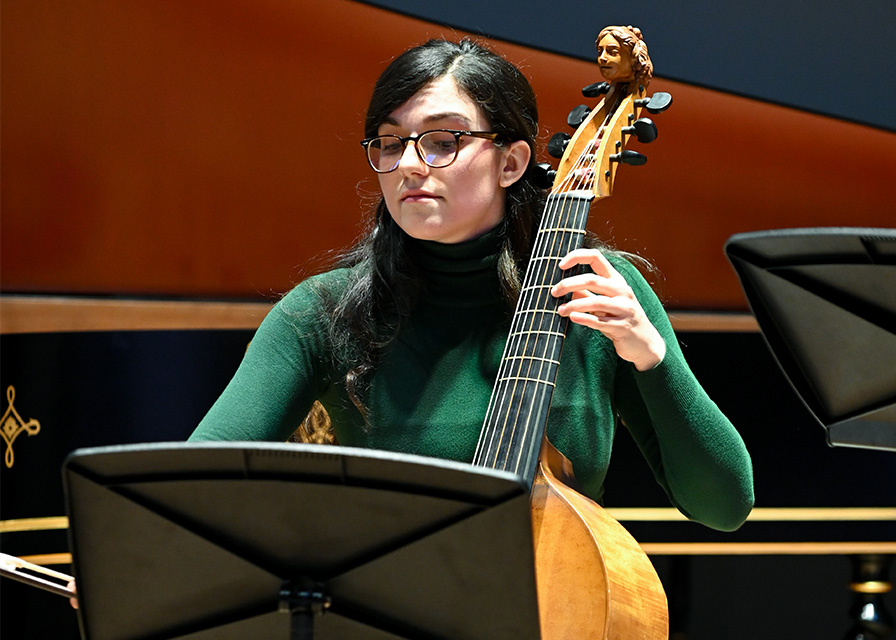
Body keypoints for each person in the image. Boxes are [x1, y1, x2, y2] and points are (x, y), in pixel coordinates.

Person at [187, 35, 754, 532]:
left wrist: (651, 357)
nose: (409, 163)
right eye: (390, 142)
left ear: (511, 164)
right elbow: (189, 491)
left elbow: (724, 506)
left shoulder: (595, 292)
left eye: (442, 141)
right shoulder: (324, 311)